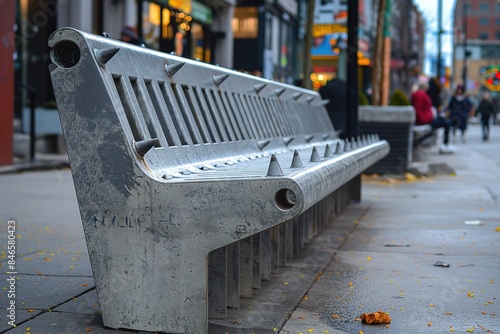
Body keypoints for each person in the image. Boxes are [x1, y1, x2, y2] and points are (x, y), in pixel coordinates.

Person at [411, 81, 454, 153]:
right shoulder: (421, 95)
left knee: (445, 122)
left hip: (426, 119)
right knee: (446, 124)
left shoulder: (420, 94)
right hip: (425, 120)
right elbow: (418, 110)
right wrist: (426, 119)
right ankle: (445, 145)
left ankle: (445, 144)